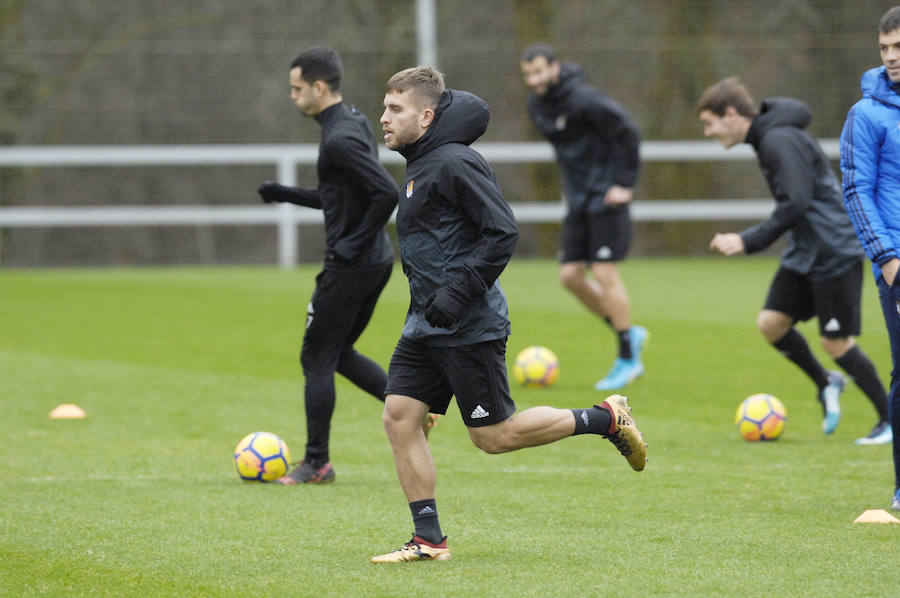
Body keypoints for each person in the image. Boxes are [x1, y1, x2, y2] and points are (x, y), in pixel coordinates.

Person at [369, 66, 647, 564]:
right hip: (425, 324)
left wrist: (459, 292)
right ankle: (428, 540)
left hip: (468, 324)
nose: (383, 118)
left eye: (395, 110)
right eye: (385, 108)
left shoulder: (456, 163)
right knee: (400, 417)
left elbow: (502, 231)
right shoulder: (420, 165)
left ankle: (604, 418)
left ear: (426, 117)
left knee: (494, 437)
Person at [696, 77, 891, 446]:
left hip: (833, 248)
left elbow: (796, 202)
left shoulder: (776, 140)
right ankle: (826, 382)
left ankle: (889, 419)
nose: (708, 132)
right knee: (771, 324)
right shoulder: (769, 138)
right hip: (806, 250)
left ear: (732, 114)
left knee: (836, 342)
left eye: (710, 123)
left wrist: (746, 239)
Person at [256, 46, 406, 484]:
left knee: (316, 355)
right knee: (338, 352)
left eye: (297, 88)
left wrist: (351, 243)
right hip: (375, 260)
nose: (293, 96)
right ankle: (416, 407)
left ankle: (316, 462)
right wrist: (284, 193)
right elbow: (341, 196)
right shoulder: (353, 121)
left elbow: (385, 193)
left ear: (319, 88)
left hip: (352, 265)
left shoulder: (339, 137)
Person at [519, 43, 647, 391]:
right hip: (577, 201)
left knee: (604, 271)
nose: (533, 79)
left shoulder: (585, 99)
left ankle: (628, 358)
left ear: (555, 68)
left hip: (607, 196)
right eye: (528, 74)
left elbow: (628, 133)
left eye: (539, 71)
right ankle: (628, 331)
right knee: (570, 276)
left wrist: (624, 183)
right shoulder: (537, 105)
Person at [840, 5, 900, 511]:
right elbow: (857, 190)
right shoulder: (866, 114)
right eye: (885, 48)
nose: (891, 57)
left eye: (899, 47)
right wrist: (887, 259)